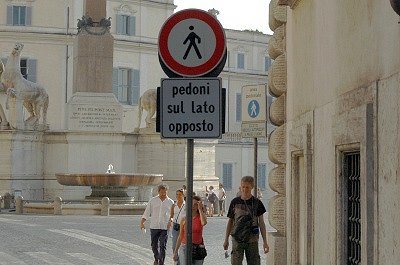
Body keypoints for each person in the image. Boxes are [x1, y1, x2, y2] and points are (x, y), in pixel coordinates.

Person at [223, 176, 269, 265]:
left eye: (247, 187)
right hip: (237, 238)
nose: (244, 189)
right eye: (243, 186)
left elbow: (262, 223)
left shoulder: (257, 203)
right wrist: (226, 239)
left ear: (252, 187)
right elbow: (230, 221)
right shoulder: (235, 202)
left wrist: (265, 242)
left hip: (252, 239)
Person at [140, 184, 174, 265]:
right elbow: (147, 212)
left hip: (165, 227)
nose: (163, 194)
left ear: (167, 191)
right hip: (154, 226)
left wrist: (171, 221)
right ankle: (156, 258)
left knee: (163, 245)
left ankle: (161, 263)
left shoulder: (171, 202)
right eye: (162, 192)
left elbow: (172, 215)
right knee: (154, 245)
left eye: (165, 192)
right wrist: (142, 222)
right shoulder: (152, 200)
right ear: (158, 192)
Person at [173, 195, 207, 265]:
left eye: (195, 204)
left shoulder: (201, 217)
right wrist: (175, 251)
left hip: (198, 248)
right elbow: (180, 236)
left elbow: (204, 223)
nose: (193, 206)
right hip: (185, 247)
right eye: (191, 204)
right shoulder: (184, 219)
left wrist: (200, 209)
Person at [169, 189, 186, 265]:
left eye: (180, 194)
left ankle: (183, 260)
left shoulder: (186, 205)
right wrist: (171, 221)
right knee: (174, 245)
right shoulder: (173, 205)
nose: (178, 196)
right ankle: (176, 260)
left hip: (184, 226)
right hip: (176, 226)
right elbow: (171, 216)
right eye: (177, 194)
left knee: (183, 244)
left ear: (183, 195)